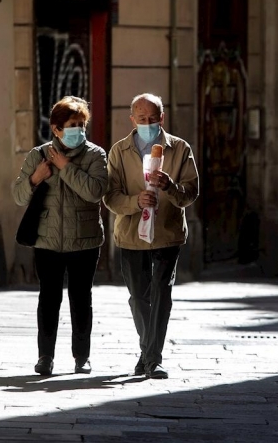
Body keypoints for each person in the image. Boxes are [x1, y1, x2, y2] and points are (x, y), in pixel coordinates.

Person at [103, 93, 199, 379]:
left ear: (162, 118)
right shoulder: (119, 152)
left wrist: (169, 186)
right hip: (131, 235)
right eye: (142, 118)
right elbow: (110, 197)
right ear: (132, 119)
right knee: (138, 296)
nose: (148, 123)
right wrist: (136, 202)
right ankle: (148, 352)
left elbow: (190, 193)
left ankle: (152, 358)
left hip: (167, 234)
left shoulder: (180, 149)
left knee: (161, 292)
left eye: (153, 118)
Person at [11, 96, 108, 376]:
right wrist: (35, 178)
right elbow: (18, 196)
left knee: (81, 299)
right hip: (47, 241)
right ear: (56, 129)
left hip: (85, 241)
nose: (77, 130)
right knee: (48, 299)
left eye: (81, 124)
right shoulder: (38, 155)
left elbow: (94, 191)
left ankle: (82, 357)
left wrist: (66, 166)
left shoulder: (95, 155)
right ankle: (45, 357)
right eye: (71, 125)